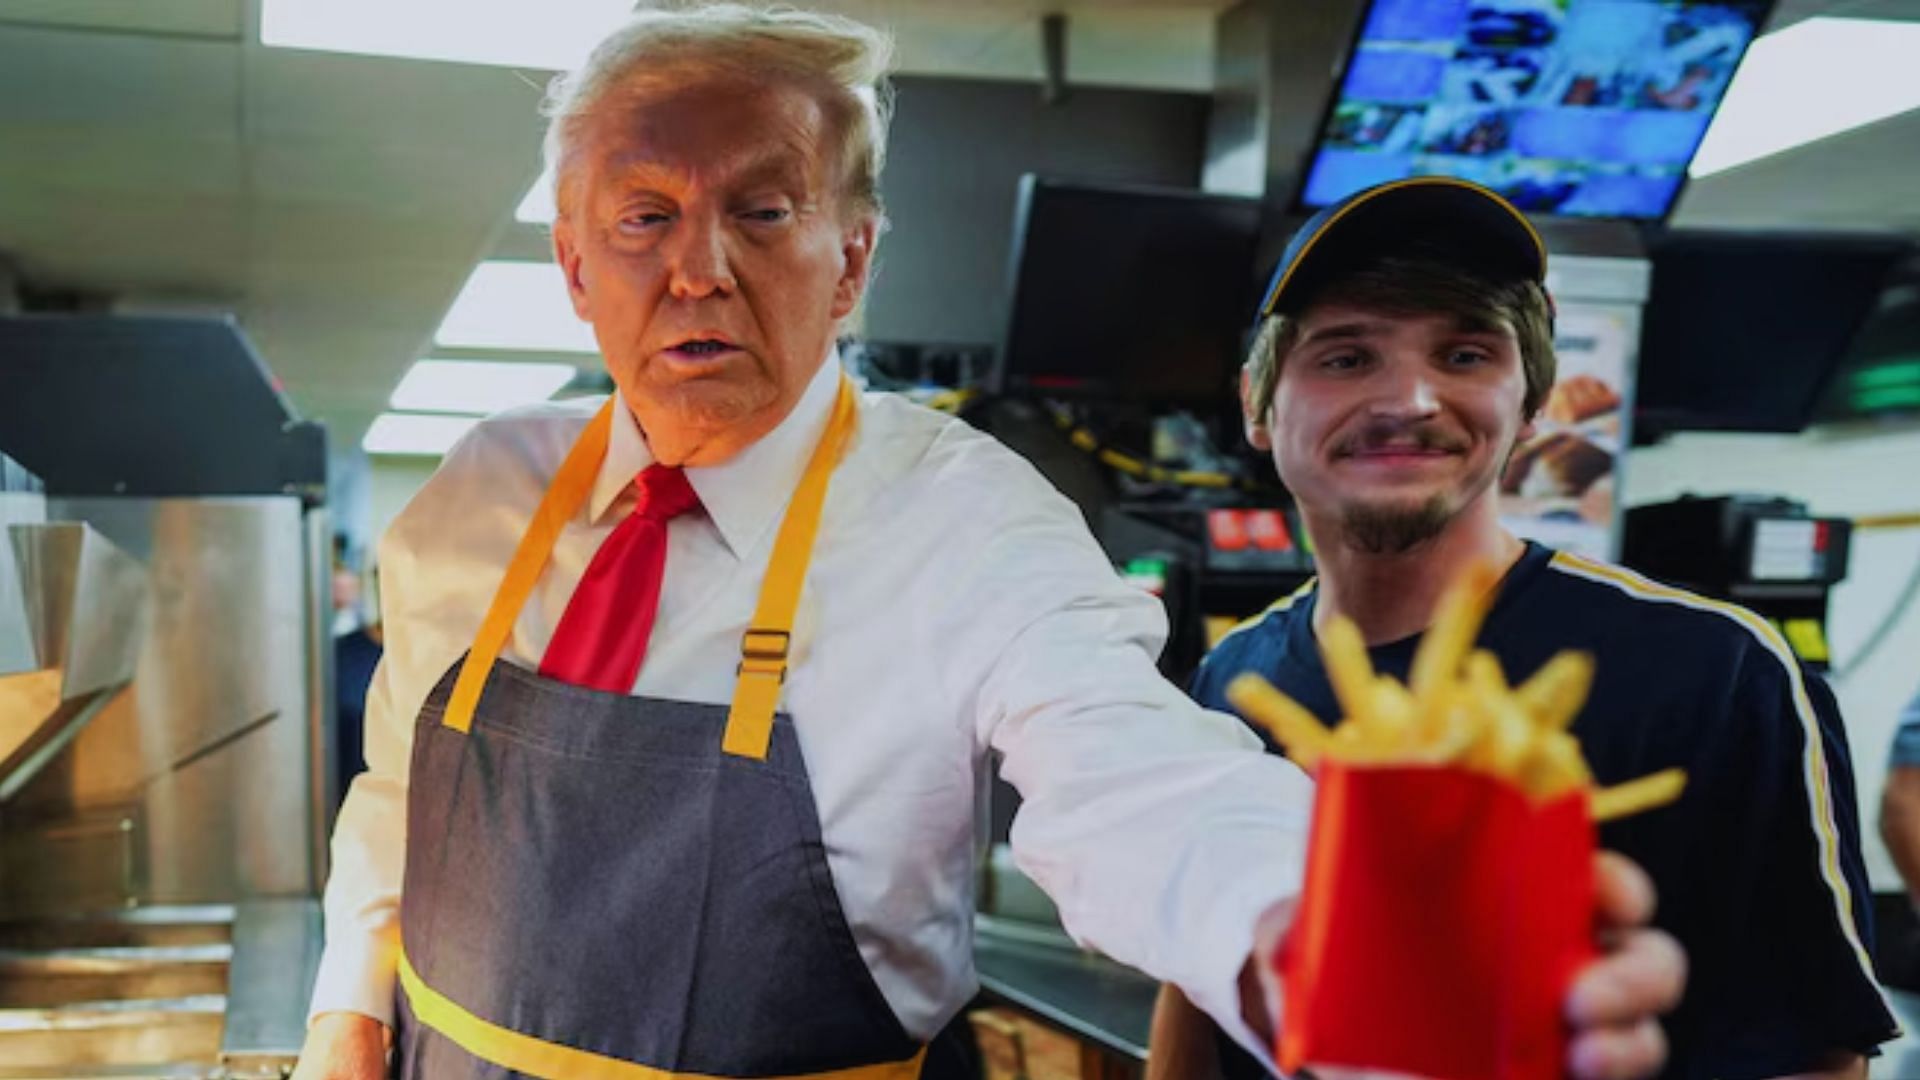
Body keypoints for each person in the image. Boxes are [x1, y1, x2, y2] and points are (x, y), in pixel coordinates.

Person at [292, 9, 1682, 1078]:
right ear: (578, 268)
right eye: (645, 216)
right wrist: (349, 1012)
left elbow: (1138, 778)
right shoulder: (482, 490)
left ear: (851, 259)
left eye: (764, 212)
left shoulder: (965, 519)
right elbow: (401, 787)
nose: (701, 267)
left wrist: (1311, 927)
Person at [1148, 176, 1898, 1080]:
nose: (1412, 399)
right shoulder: (1233, 673)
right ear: (1258, 409)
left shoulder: (1717, 670)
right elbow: (1193, 992)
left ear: (1532, 405)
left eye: (1465, 355)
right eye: (1346, 357)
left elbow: (1814, 1051)